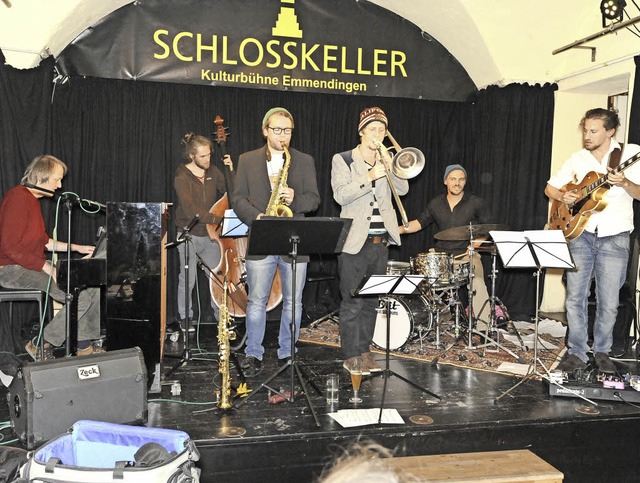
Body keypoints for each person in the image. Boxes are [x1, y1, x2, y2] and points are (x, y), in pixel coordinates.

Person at [545, 108, 640, 374]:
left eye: (593, 131)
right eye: (585, 130)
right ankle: (577, 352)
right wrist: (564, 194)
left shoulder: (631, 154)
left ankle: (601, 351)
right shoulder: (578, 158)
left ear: (610, 131)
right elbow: (550, 188)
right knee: (575, 297)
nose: (587, 136)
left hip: (615, 237)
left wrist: (624, 184)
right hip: (581, 234)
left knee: (609, 301)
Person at [232, 107, 320, 376]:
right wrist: (256, 217)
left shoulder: (304, 161)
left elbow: (314, 200)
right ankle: (253, 354)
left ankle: (287, 351)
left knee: (294, 302)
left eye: (287, 130)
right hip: (262, 234)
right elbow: (237, 199)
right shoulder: (247, 160)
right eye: (277, 129)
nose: (283, 135)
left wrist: (295, 198)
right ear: (265, 131)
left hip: (295, 239)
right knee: (256, 300)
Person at [0, 155, 102, 360]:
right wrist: (49, 268)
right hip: (11, 270)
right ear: (42, 177)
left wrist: (78, 248)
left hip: (30, 265)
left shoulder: (32, 201)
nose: (60, 185)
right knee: (78, 297)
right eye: (56, 179)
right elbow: (10, 247)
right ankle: (40, 343)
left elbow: (44, 242)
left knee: (91, 287)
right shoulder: (19, 197)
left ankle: (83, 345)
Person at [331, 106, 408, 374]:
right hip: (354, 242)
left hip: (380, 241)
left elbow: (403, 188)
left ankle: (365, 352)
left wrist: (391, 166)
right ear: (361, 131)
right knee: (352, 301)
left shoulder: (387, 159)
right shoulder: (343, 159)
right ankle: (351, 354)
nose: (377, 134)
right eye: (372, 129)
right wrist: (369, 176)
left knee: (372, 301)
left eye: (382, 130)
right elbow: (340, 195)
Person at [399, 164, 493, 321]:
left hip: (466, 254)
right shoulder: (436, 203)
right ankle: (428, 321)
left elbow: (489, 228)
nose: (457, 183)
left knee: (477, 282)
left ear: (465, 182)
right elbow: (419, 223)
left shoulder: (476, 202)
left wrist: (477, 243)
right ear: (445, 181)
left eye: (461, 179)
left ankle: (484, 326)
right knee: (423, 281)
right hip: (442, 257)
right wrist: (397, 230)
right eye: (453, 179)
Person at [173, 132, 232, 332]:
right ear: (192, 156)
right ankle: (185, 317)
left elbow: (230, 192)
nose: (208, 159)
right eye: (203, 156)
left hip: (210, 235)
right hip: (188, 234)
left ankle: (221, 316)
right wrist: (218, 219)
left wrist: (230, 170)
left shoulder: (214, 172)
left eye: (209, 155)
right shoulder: (181, 177)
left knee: (217, 278)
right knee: (187, 279)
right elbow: (191, 211)